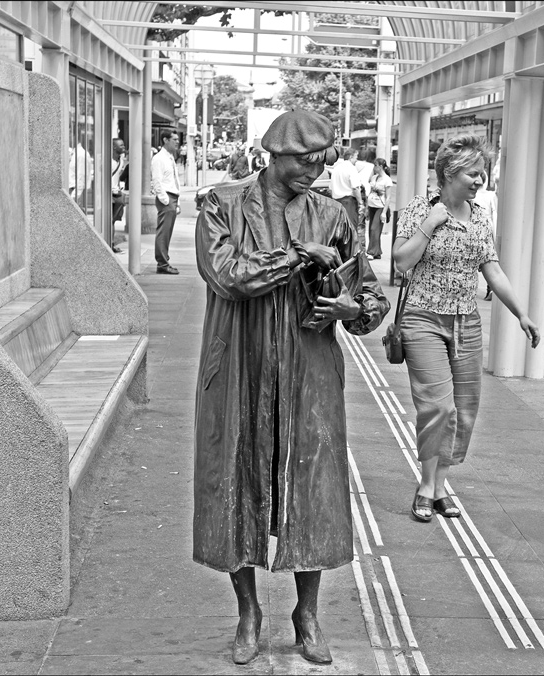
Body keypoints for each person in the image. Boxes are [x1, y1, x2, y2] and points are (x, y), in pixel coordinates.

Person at [192, 109, 389, 666]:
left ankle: (307, 614)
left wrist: (352, 307)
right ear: (273, 154)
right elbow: (228, 276)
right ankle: (248, 612)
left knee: (312, 488)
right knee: (235, 479)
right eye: (305, 161)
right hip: (239, 369)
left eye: (322, 161)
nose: (316, 171)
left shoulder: (333, 215)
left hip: (310, 373)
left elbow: (369, 297)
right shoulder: (222, 204)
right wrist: (299, 254)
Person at [393, 135, 540, 523]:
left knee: (464, 410)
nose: (480, 180)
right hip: (423, 319)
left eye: (483, 174)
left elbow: (491, 267)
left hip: (466, 323)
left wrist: (521, 314)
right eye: (474, 174)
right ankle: (426, 486)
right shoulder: (417, 209)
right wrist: (430, 224)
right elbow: (401, 262)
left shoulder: (479, 217)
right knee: (437, 406)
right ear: (448, 174)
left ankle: (440, 486)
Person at [150, 130, 182, 275]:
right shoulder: (159, 159)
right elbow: (157, 182)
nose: (177, 141)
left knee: (167, 232)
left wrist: (177, 201)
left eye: (177, 139)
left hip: (172, 197)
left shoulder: (169, 157)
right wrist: (166, 200)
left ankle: (164, 261)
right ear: (165, 140)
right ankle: (162, 264)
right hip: (167, 198)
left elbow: (174, 180)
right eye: (174, 139)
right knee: (163, 232)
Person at [330, 147, 365, 250]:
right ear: (350, 157)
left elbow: (330, 188)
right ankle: (350, 256)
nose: (357, 160)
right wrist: (361, 203)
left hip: (336, 202)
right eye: (356, 157)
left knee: (338, 231)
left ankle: (339, 253)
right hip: (348, 202)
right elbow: (355, 188)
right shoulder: (351, 168)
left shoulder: (336, 169)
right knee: (350, 230)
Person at [473, 172, 498, 300]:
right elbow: (494, 215)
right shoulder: (490, 195)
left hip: (474, 230)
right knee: (488, 261)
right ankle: (491, 289)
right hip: (487, 229)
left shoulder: (471, 195)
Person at [365, 158, 392, 259]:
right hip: (371, 205)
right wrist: (367, 208)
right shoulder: (374, 178)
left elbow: (388, 198)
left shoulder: (387, 180)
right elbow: (370, 191)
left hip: (380, 207)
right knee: (372, 229)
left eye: (375, 165)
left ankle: (371, 252)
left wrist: (384, 212)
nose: (374, 167)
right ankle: (377, 252)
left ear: (381, 166)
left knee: (374, 229)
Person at [110, 138, 127, 253]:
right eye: (121, 145)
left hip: (117, 193)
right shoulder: (108, 161)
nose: (124, 147)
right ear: (114, 147)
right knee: (109, 220)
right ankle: (109, 244)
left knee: (113, 220)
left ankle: (111, 244)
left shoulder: (120, 160)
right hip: (108, 193)